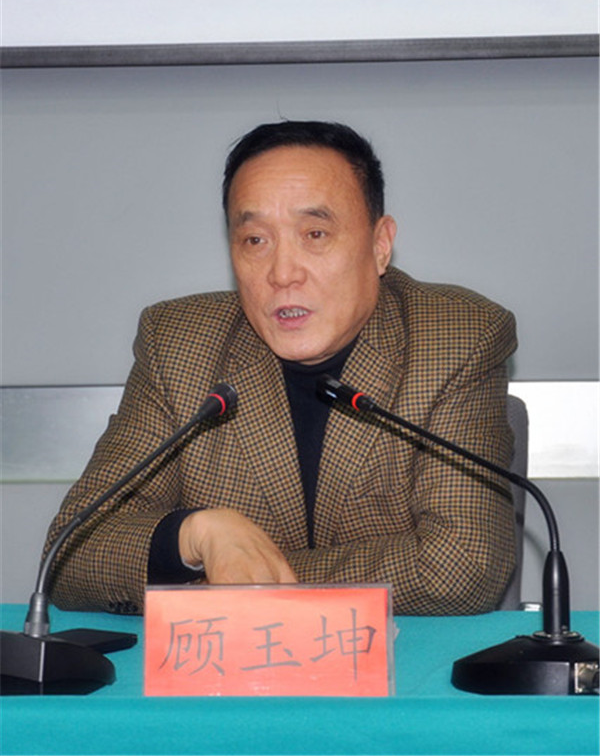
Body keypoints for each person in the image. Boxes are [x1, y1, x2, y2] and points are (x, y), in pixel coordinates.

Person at [43, 120, 517, 616]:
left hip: (403, 662)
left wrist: (227, 580)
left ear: (380, 245)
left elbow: (461, 566)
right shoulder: (179, 344)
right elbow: (72, 554)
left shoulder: (453, 337)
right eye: (255, 241)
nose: (282, 273)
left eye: (315, 234)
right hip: (225, 667)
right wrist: (197, 534)